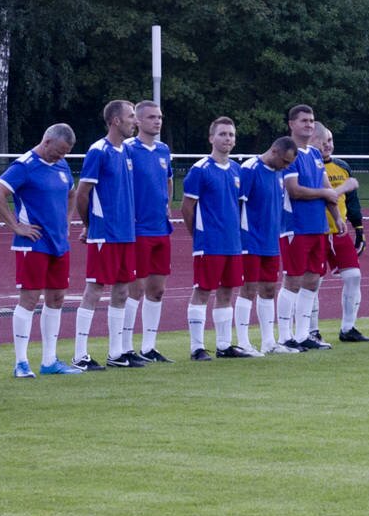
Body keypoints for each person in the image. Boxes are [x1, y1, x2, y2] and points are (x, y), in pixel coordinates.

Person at [0, 123, 83, 378]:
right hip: (34, 243)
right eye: (58, 151)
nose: (61, 157)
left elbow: (71, 194)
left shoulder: (61, 165)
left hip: (58, 243)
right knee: (29, 299)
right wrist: (16, 226)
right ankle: (21, 362)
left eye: (65, 153)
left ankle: (49, 360)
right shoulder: (24, 166)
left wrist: (67, 221)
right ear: (46, 141)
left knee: (57, 298)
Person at [70, 100, 142, 371]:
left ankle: (116, 352)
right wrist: (90, 225)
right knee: (95, 289)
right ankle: (80, 354)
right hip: (105, 233)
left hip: (126, 233)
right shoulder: (98, 151)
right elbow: (82, 194)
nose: (135, 121)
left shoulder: (127, 151)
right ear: (115, 120)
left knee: (122, 290)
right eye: (131, 116)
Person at [179, 117, 251, 361]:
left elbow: (238, 207)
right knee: (202, 290)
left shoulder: (237, 170)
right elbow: (187, 207)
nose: (227, 138)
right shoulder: (200, 170)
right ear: (211, 138)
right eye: (222, 134)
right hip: (209, 243)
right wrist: (198, 234)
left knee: (227, 291)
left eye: (231, 134)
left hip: (233, 243)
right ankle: (197, 347)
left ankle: (224, 344)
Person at [281, 104, 345, 350]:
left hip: (318, 227)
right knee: (293, 279)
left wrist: (336, 217)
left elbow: (327, 188)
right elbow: (294, 190)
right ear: (292, 124)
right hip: (296, 227)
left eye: (311, 120)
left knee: (312, 281)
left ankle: (302, 334)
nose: (308, 124)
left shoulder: (316, 155)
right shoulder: (288, 152)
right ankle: (285, 336)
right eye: (303, 120)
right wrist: (324, 193)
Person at [237, 138, 300, 355]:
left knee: (269, 289)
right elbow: (237, 204)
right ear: (274, 151)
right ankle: (243, 342)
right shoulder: (249, 169)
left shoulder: (278, 173)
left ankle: (268, 342)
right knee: (248, 289)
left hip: (270, 240)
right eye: (285, 161)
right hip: (249, 239)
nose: (286, 166)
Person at [128, 100, 176, 364]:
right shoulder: (128, 149)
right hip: (137, 229)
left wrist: (167, 203)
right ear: (137, 121)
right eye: (151, 117)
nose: (157, 121)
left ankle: (149, 347)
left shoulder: (163, 150)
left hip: (160, 228)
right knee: (134, 290)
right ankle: (124, 347)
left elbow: (168, 178)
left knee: (157, 290)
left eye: (160, 117)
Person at [313, 123, 369, 343]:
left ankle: (348, 328)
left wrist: (359, 228)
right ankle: (311, 330)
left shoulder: (342, 167)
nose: (327, 145)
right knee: (313, 282)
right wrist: (344, 188)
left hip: (339, 231)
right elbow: (321, 196)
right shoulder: (308, 165)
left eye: (330, 140)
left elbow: (352, 201)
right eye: (323, 141)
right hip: (315, 232)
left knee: (354, 276)